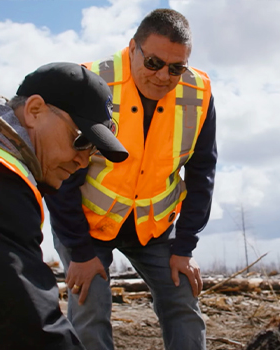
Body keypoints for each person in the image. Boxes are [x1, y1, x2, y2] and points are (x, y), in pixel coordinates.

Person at [45, 8, 216, 350]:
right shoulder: (90, 82)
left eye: (176, 68)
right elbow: (59, 172)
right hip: (86, 224)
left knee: (183, 302)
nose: (164, 76)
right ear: (132, 48)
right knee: (90, 305)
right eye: (153, 62)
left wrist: (185, 247)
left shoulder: (199, 95)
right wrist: (78, 251)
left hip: (153, 227)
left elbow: (202, 174)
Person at [0, 63, 128, 349]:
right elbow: (26, 322)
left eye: (93, 149)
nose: (83, 161)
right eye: (80, 140)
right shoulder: (3, 180)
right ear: (34, 110)